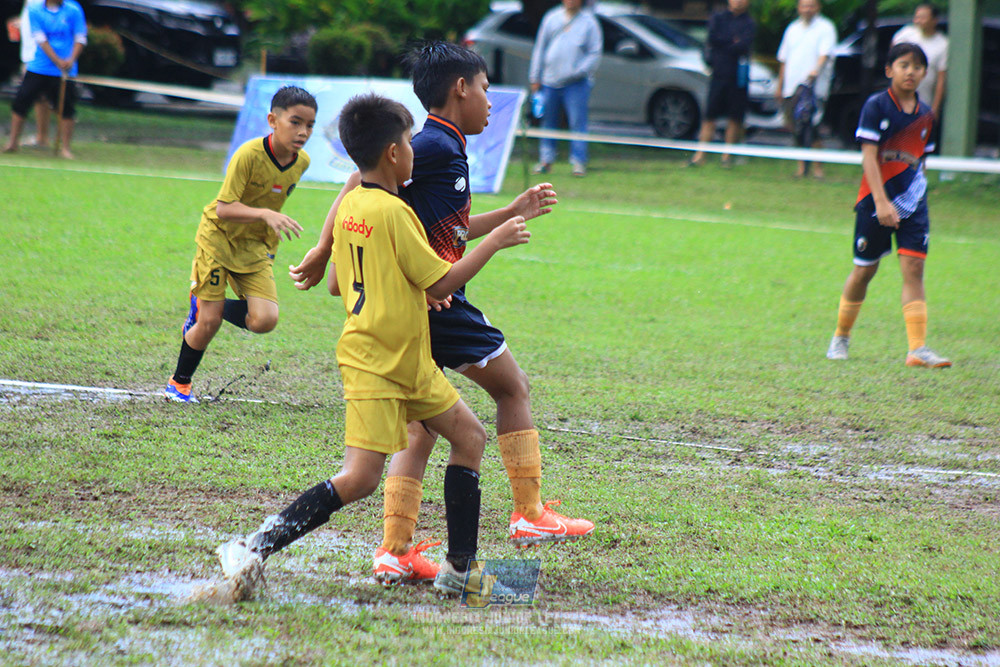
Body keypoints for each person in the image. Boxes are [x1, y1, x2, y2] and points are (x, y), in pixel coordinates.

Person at [288, 42, 594, 586]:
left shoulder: (439, 147)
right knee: (511, 387)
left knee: (422, 430)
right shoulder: (429, 145)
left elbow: (447, 228)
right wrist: (321, 247)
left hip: (418, 305)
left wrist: (511, 211)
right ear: (460, 89)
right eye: (484, 89)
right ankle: (525, 516)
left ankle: (396, 549)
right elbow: (359, 180)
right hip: (438, 300)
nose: (490, 102)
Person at [212, 92, 532, 599]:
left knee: (469, 437)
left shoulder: (352, 206)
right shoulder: (393, 211)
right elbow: (442, 284)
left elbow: (339, 284)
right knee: (360, 477)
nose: (413, 150)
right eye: (408, 142)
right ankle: (254, 546)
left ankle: (459, 570)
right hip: (376, 363)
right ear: (392, 152)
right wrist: (494, 240)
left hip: (408, 358)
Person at [163, 86, 315, 403]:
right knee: (209, 323)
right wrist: (265, 214)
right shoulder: (248, 154)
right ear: (273, 120)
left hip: (255, 248)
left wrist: (269, 243)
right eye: (295, 122)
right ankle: (179, 383)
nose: (303, 132)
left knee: (264, 320)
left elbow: (273, 201)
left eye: (310, 125)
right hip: (218, 239)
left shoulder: (302, 163)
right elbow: (224, 207)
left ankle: (205, 303)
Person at [825, 42, 950, 369]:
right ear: (889, 70)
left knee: (914, 268)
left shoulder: (926, 115)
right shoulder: (876, 106)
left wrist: (917, 198)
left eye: (918, 67)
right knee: (865, 269)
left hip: (913, 203)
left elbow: (921, 161)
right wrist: (881, 202)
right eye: (904, 65)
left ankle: (917, 349)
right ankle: (841, 336)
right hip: (875, 201)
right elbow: (869, 157)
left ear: (925, 73)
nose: (911, 72)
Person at [3, 0, 86, 159]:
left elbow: (80, 37)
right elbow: (40, 39)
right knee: (22, 101)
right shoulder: (35, 9)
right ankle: (13, 142)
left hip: (66, 68)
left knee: (66, 107)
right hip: (40, 66)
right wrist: (57, 60)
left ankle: (65, 148)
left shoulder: (73, 9)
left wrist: (70, 59)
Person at [528, 0, 602, 177]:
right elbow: (540, 48)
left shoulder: (589, 22)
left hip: (576, 83)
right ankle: (546, 160)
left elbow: (595, 53)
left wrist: (578, 71)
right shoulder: (551, 18)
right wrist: (535, 76)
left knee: (577, 121)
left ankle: (578, 162)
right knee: (548, 121)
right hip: (549, 81)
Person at [689, 0, 755, 168]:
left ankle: (727, 156)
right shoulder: (718, 18)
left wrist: (728, 43)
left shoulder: (749, 23)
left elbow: (743, 45)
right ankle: (700, 154)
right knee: (710, 115)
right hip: (718, 74)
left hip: (738, 77)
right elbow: (713, 38)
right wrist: (731, 42)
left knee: (735, 117)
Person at [775, 0, 837, 178]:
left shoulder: (826, 27)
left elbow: (825, 54)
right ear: (799, 8)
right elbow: (784, 59)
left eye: (811, 5)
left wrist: (815, 71)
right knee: (796, 128)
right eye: (804, 5)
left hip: (813, 89)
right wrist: (779, 86)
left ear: (818, 7)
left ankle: (818, 168)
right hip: (791, 87)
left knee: (813, 127)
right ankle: (802, 167)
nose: (807, 9)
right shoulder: (792, 28)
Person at [892, 4, 947, 120]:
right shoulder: (906, 34)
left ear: (934, 20)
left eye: (922, 17)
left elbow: (941, 79)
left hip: (923, 102)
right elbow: (892, 52)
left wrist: (935, 109)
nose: (917, 20)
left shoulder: (943, 44)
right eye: (916, 17)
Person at [18, 0, 53, 148]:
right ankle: (41, 136)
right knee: (37, 96)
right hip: (29, 52)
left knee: (39, 95)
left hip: (38, 55)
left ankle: (42, 137)